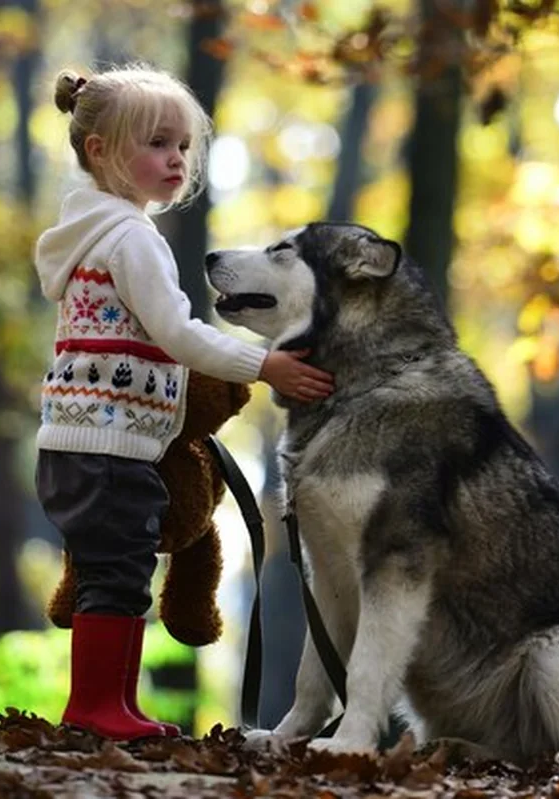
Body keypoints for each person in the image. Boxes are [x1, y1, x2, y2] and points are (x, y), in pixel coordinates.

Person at [33, 64, 332, 740]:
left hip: (83, 439)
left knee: (121, 569)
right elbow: (176, 332)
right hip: (106, 446)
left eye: (182, 146)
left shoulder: (91, 231)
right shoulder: (130, 237)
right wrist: (264, 363)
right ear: (99, 150)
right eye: (155, 144)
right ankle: (94, 707)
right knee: (116, 576)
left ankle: (114, 702)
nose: (174, 159)